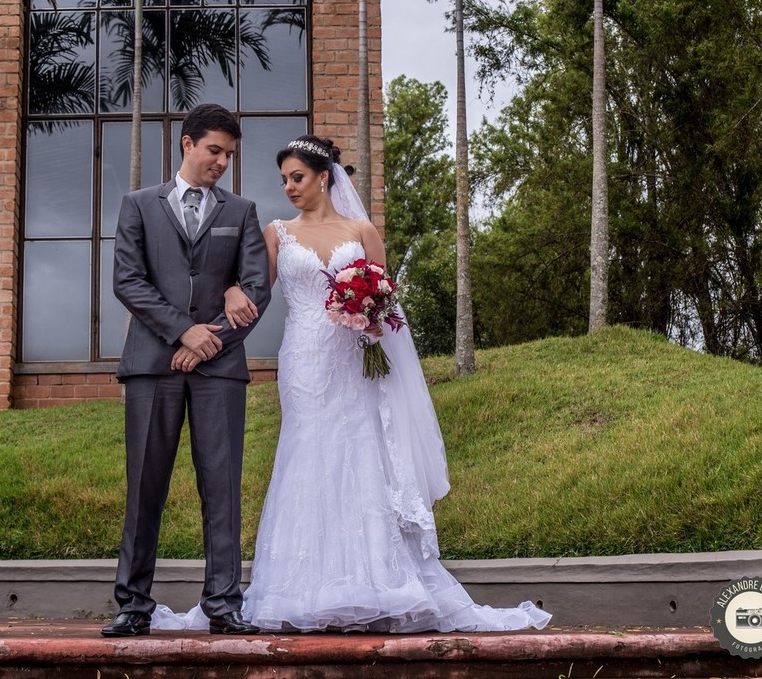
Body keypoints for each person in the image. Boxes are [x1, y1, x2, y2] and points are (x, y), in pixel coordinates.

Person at [154, 135, 551, 633]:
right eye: (284, 180)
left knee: (361, 454)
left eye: (297, 177)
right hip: (303, 364)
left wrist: (370, 317)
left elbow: (387, 303)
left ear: (324, 176)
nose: (289, 188)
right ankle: (299, 587)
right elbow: (254, 292)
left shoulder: (363, 231)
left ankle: (371, 582)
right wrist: (224, 303)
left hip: (355, 362)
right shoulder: (277, 232)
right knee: (307, 455)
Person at [104, 103, 272, 638]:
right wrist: (183, 331)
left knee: (221, 487)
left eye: (229, 154)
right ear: (187, 144)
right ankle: (133, 605)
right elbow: (128, 281)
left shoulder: (241, 211)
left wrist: (207, 343)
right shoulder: (138, 205)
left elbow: (255, 289)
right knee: (144, 488)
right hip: (152, 367)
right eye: (214, 150)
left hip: (219, 372)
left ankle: (224, 604)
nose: (222, 161)